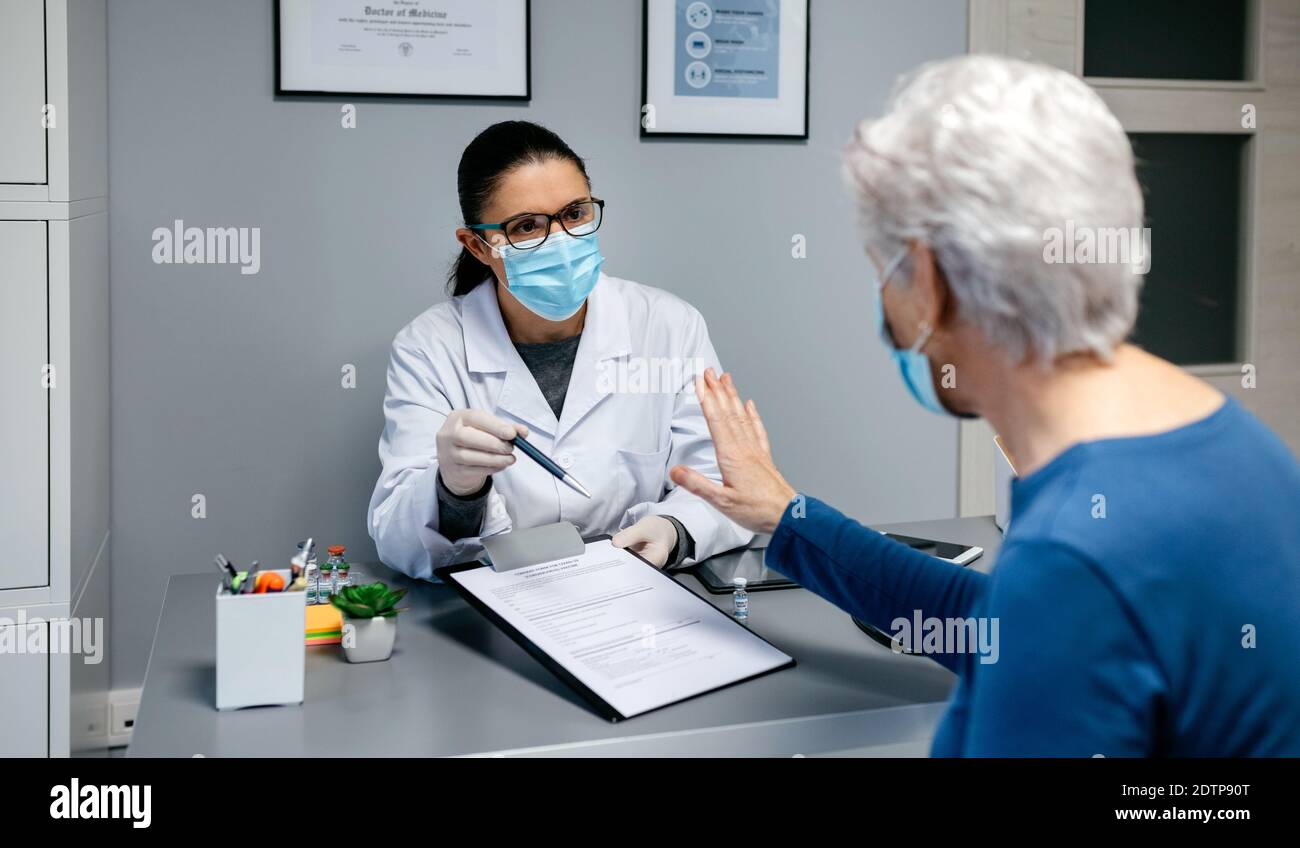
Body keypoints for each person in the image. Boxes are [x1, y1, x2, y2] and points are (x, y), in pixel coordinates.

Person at [669, 56, 1300, 756]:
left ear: (929, 280)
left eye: (882, 271)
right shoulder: (1232, 444)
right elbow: (1008, 631)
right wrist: (790, 517)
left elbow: (1049, 618)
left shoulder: (1074, 553)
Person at [368, 121, 749, 579]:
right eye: (526, 226)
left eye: (574, 213)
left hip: (644, 596)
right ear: (478, 245)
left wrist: (673, 528)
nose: (561, 241)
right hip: (500, 606)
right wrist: (456, 488)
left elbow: (725, 483)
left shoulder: (668, 325)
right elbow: (398, 541)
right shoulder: (429, 348)